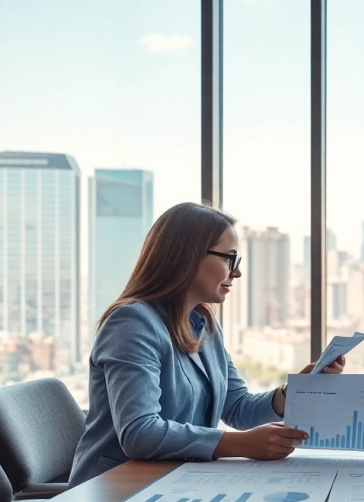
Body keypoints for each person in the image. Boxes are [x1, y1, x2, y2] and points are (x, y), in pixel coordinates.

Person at [68, 202, 344, 487]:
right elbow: (140, 433)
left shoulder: (205, 325)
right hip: (113, 489)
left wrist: (295, 390)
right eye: (230, 259)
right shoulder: (131, 323)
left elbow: (237, 409)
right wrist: (241, 445)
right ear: (188, 256)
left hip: (176, 482)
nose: (235, 273)